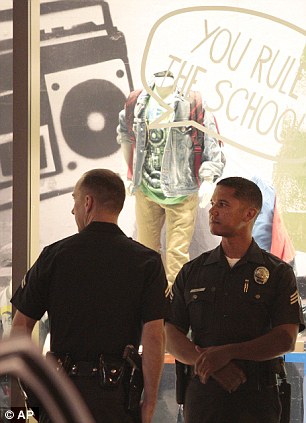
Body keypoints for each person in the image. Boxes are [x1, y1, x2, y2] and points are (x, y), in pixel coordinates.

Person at [10, 169, 168, 423]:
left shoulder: (54, 256)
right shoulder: (146, 262)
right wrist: (149, 402)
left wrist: (36, 396)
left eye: (74, 200)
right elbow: (154, 336)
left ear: (88, 203)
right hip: (117, 397)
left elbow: (20, 328)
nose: (73, 211)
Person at [165, 176, 305, 423]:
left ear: (249, 213)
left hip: (256, 398)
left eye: (223, 204)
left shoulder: (277, 273)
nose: (213, 211)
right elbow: (171, 333)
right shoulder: (192, 271)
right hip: (203, 397)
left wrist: (229, 353)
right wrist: (210, 363)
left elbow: (285, 338)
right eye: (212, 203)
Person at [117, 70, 225, 293]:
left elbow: (212, 143)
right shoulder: (137, 102)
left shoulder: (193, 103)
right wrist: (131, 175)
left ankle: (175, 308)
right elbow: (126, 136)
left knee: (177, 256)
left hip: (182, 191)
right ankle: (149, 302)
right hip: (146, 188)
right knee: (145, 251)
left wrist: (208, 179)